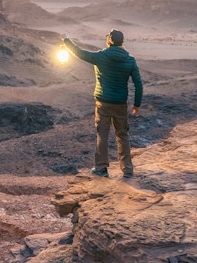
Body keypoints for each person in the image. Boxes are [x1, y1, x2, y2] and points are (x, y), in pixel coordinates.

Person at [61, 29, 142, 177]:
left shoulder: (100, 56)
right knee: (122, 135)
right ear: (121, 42)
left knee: (102, 135)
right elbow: (138, 84)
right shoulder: (130, 60)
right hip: (120, 104)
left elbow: (79, 52)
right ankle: (127, 170)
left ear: (110, 40)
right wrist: (136, 105)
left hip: (103, 103)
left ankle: (101, 168)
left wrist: (66, 41)